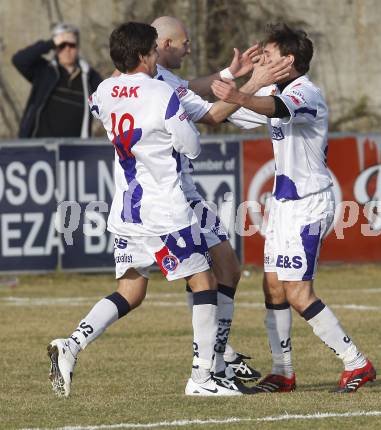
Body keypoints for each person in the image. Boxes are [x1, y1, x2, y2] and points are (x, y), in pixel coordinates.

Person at [47, 21, 240, 398]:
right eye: (153, 51)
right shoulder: (160, 92)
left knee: (131, 291)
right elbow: (192, 147)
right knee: (204, 281)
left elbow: (105, 110)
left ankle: (70, 345)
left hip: (126, 209)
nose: (157, 57)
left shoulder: (102, 91)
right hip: (164, 209)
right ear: (142, 55)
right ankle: (203, 377)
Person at [212, 23, 376, 393]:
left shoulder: (306, 92)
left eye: (269, 56)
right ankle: (283, 371)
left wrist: (240, 93)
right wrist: (235, 90)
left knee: (299, 292)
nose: (263, 60)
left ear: (288, 60)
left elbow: (276, 107)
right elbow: (227, 115)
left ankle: (357, 362)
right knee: (272, 287)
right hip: (284, 206)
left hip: (309, 205)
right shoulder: (271, 90)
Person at [150, 16, 290, 390]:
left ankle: (217, 360)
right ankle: (207, 369)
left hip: (184, 192)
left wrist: (231, 72)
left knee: (227, 270)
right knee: (148, 287)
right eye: (185, 43)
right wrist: (253, 85)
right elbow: (211, 115)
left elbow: (190, 88)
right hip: (170, 196)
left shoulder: (159, 79)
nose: (189, 48)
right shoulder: (149, 83)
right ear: (163, 45)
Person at [12, 23, 102, 138]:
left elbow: (107, 97)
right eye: (62, 45)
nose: (67, 49)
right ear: (56, 48)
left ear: (77, 47)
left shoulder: (89, 76)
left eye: (71, 45)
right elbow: (19, 60)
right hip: (39, 149)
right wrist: (52, 42)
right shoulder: (45, 71)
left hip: (76, 151)